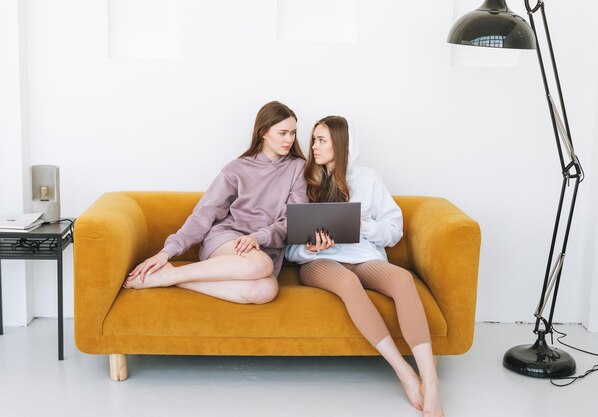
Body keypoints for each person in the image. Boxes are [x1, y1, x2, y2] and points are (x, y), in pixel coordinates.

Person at [286, 116, 444, 416]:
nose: (314, 147)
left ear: (341, 145)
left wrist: (363, 227)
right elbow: (290, 245)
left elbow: (393, 229)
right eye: (314, 140)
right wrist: (308, 247)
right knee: (348, 284)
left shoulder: (368, 179)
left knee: (402, 280)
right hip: (320, 262)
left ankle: (431, 381)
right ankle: (404, 372)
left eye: (322, 141)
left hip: (364, 256)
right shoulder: (304, 181)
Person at [124, 101, 307, 305]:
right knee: (261, 264)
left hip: (262, 247)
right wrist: (167, 252)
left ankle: (171, 277)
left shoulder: (298, 168)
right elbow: (204, 213)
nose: (289, 139)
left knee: (266, 290)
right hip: (226, 240)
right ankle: (170, 274)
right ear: (263, 132)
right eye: (283, 133)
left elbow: (294, 219)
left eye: (293, 133)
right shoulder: (236, 168)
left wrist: (260, 236)